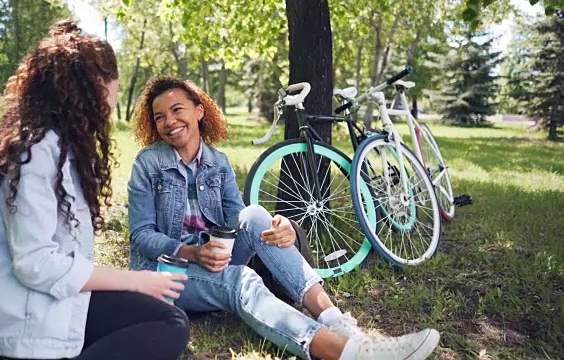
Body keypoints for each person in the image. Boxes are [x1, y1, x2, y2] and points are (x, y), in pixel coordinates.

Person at [128, 76, 441, 360]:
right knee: (243, 280)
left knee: (256, 214)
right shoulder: (149, 163)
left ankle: (337, 322)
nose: (169, 121)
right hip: (166, 272)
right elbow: (141, 236)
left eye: (177, 110)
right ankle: (352, 353)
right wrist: (193, 252)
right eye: (160, 117)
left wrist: (284, 230)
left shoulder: (218, 163)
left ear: (199, 111)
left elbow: (239, 220)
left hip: (212, 257)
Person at [0, 21, 190, 360]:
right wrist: (135, 281)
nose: (113, 101)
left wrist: (137, 283)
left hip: (45, 303)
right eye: (114, 89)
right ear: (95, 88)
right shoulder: (33, 152)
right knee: (166, 326)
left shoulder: (57, 145)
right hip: (18, 325)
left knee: (168, 321)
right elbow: (36, 263)